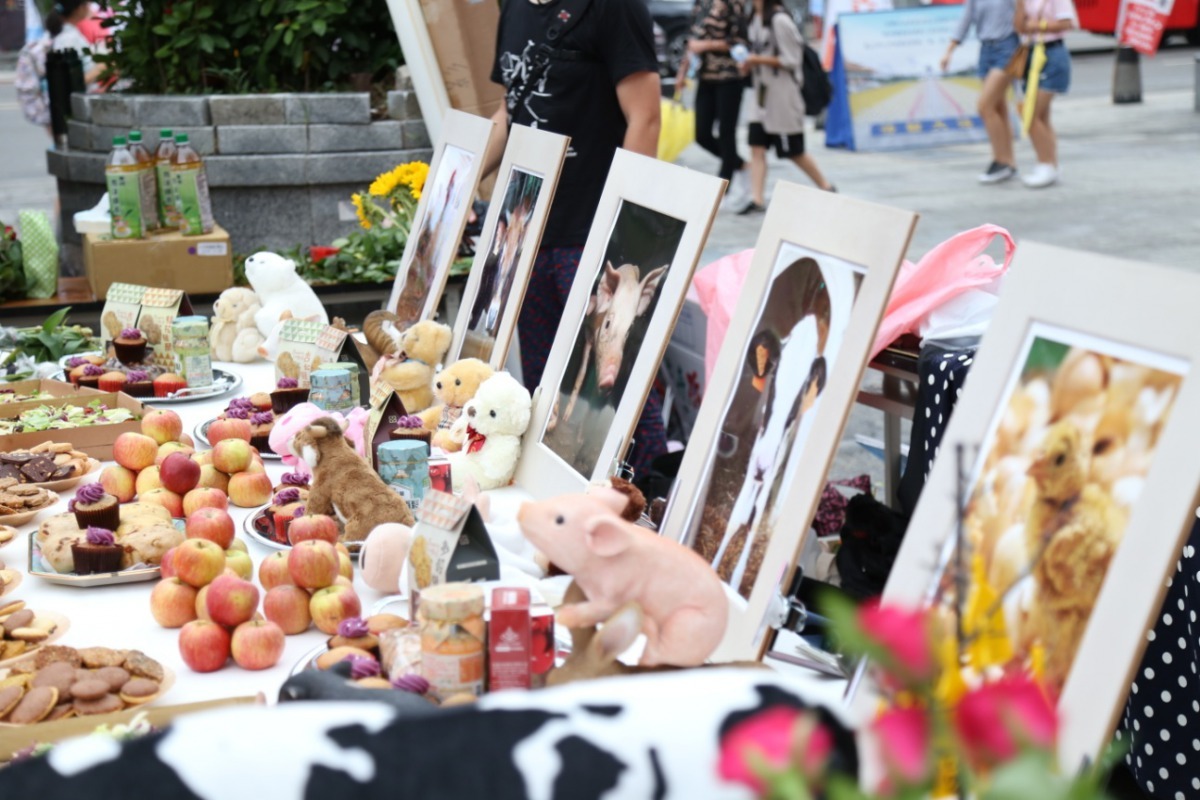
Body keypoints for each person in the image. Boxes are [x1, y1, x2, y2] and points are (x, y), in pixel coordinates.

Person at [483, 0, 666, 474]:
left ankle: (647, 492)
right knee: (551, 384)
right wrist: (459, 175)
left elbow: (645, 117)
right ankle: (566, 492)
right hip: (529, 227)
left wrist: (619, 227)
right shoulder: (515, 8)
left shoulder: (614, 8)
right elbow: (510, 109)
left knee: (616, 383)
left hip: (591, 230)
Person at [736, 0, 834, 215]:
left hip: (782, 95)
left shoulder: (779, 20)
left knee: (794, 150)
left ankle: (826, 186)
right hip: (761, 96)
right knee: (757, 146)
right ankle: (757, 199)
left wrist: (757, 59)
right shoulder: (754, 19)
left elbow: (791, 59)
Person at [679, 0, 750, 209]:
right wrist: (682, 73)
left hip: (728, 77)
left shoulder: (732, 4)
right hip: (705, 77)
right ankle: (740, 164)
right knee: (701, 134)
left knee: (727, 133)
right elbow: (692, 40)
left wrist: (706, 46)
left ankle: (724, 190)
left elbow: (739, 42)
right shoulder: (701, 4)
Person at [941, 0, 1020, 184]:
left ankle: (1001, 161)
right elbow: (965, 20)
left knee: (985, 106)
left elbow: (1023, 14)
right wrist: (949, 51)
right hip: (986, 49)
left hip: (1008, 47)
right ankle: (1008, 162)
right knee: (998, 108)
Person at [1015, 0, 1075, 188]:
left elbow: (1067, 23)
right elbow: (1019, 28)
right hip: (1033, 54)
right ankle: (1050, 164)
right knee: (1041, 116)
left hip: (1053, 53)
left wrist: (1037, 25)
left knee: (1030, 113)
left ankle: (1046, 164)